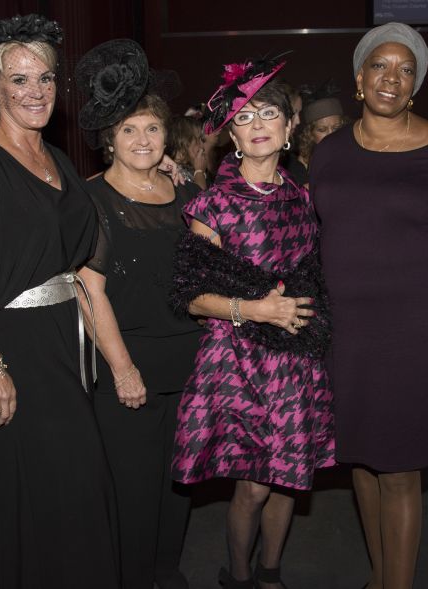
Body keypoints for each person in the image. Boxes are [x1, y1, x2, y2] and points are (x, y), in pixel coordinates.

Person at [0, 14, 120, 588]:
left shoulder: (58, 161)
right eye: (18, 80)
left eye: (44, 78)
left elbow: (83, 251)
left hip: (66, 345)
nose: (34, 91)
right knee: (38, 493)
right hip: (16, 350)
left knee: (81, 486)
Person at [310, 22, 428, 589]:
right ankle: (381, 576)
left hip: (415, 331)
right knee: (359, 458)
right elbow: (307, 236)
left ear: (416, 84)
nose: (392, 77)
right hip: (346, 331)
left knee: (402, 470)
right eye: (380, 65)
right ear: (360, 77)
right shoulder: (327, 153)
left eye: (406, 70)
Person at [170, 56, 335, 589]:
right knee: (253, 487)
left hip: (294, 360)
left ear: (290, 127)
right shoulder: (211, 206)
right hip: (238, 361)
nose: (258, 123)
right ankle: (237, 576)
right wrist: (258, 309)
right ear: (231, 133)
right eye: (244, 115)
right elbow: (192, 298)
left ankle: (270, 574)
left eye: (269, 113)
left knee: (288, 482)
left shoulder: (307, 200)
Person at [74, 40, 203, 589]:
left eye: (151, 127)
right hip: (129, 369)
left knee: (179, 488)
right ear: (110, 141)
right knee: (131, 494)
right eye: (129, 130)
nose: (143, 139)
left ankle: (165, 574)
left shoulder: (186, 194)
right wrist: (123, 369)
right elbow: (88, 291)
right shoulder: (93, 200)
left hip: (190, 363)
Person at [296, 81, 349, 175]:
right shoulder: (304, 162)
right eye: (322, 130)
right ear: (310, 134)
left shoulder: (355, 153)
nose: (331, 134)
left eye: (336, 128)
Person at [167, 114, 209, 188]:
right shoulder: (176, 176)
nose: (202, 146)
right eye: (198, 141)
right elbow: (201, 197)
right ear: (180, 151)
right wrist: (199, 172)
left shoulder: (190, 170)